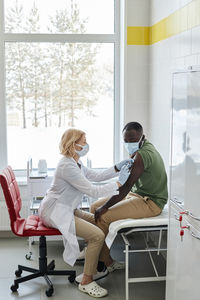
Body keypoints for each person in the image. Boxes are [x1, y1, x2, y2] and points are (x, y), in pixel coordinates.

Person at [38, 128, 133, 298]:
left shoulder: (76, 162)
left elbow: (96, 176)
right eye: (83, 141)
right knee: (97, 235)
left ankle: (105, 262)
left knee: (101, 220)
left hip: (66, 208)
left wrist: (116, 168)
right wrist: (119, 183)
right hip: (54, 212)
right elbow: (93, 191)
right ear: (73, 144)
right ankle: (86, 281)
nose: (86, 144)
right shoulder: (67, 166)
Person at [89, 121, 168, 270]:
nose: (129, 143)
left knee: (103, 215)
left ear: (141, 137)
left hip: (151, 202)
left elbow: (125, 187)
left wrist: (105, 207)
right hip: (139, 194)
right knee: (94, 207)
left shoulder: (143, 154)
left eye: (132, 140)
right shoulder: (142, 146)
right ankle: (93, 250)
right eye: (126, 140)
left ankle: (104, 260)